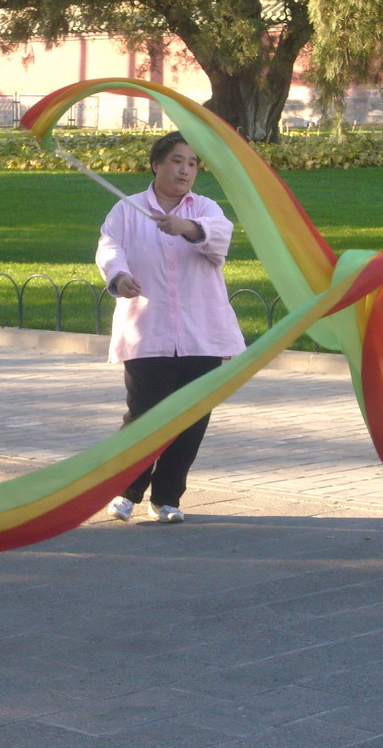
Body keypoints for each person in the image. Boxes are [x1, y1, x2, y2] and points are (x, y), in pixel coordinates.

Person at [96, 131, 245, 524]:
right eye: (177, 160)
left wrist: (187, 227)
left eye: (193, 163)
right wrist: (120, 276)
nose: (185, 170)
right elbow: (109, 247)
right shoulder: (127, 209)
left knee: (192, 418)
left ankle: (167, 498)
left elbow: (219, 242)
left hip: (203, 333)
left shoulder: (207, 208)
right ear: (157, 164)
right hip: (148, 331)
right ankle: (127, 491)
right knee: (144, 416)